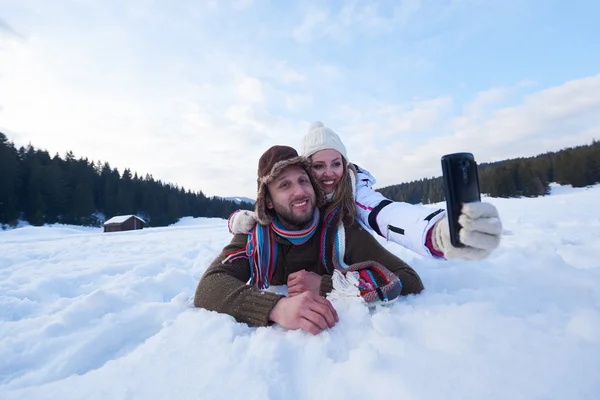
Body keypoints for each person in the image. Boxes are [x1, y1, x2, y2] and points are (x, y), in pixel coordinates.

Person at [194, 145, 425, 335]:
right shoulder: (255, 236)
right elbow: (210, 286)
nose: (300, 192)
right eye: (284, 185)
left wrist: (329, 285)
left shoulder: (341, 231)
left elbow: (408, 278)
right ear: (269, 201)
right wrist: (277, 307)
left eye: (303, 181)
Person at [229, 121, 503, 261]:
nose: (329, 174)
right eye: (318, 166)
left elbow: (384, 214)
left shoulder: (352, 190)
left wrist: (437, 233)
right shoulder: (299, 192)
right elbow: (265, 208)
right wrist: (239, 221)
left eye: (336, 163)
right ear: (305, 168)